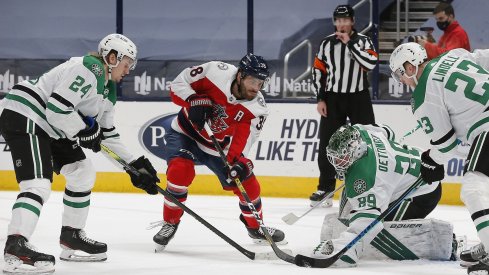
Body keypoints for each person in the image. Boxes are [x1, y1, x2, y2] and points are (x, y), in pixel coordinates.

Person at [0, 33, 159, 273]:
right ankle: (15, 246)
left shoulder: (108, 91)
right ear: (112, 57)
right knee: (38, 185)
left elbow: (107, 135)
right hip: (27, 115)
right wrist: (85, 130)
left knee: (82, 172)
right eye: (127, 64)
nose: (129, 71)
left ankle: (71, 236)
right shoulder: (90, 68)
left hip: (51, 127)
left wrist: (135, 166)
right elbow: (56, 110)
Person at [151, 53, 286, 251]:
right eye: (252, 81)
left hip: (217, 146)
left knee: (247, 183)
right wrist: (193, 100)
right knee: (180, 170)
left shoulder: (257, 109)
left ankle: (256, 227)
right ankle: (170, 222)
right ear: (240, 75)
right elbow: (178, 84)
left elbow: (244, 140)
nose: (256, 88)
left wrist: (237, 164)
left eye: (261, 83)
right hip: (185, 132)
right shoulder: (215, 72)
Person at [389, 42, 489, 275]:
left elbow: (446, 147)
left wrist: (429, 160)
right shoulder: (454, 55)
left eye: (399, 74)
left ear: (409, 66)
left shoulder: (423, 95)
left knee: (474, 189)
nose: (401, 81)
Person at [311, 124, 448, 267]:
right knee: (351, 198)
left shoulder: (368, 176)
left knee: (383, 229)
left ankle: (442, 243)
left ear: (356, 149)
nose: (336, 162)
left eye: (341, 157)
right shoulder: (360, 132)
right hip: (419, 167)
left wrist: (344, 250)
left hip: (422, 191)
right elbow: (388, 131)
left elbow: (368, 222)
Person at [310, 4, 378, 207]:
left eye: (345, 20)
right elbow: (318, 71)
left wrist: (350, 44)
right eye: (338, 20)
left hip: (359, 97)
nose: (342, 24)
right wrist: (320, 98)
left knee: (369, 140)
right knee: (327, 143)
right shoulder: (326, 44)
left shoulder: (364, 41)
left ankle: (371, 184)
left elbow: (370, 64)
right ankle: (325, 188)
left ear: (353, 22)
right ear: (334, 22)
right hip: (333, 99)